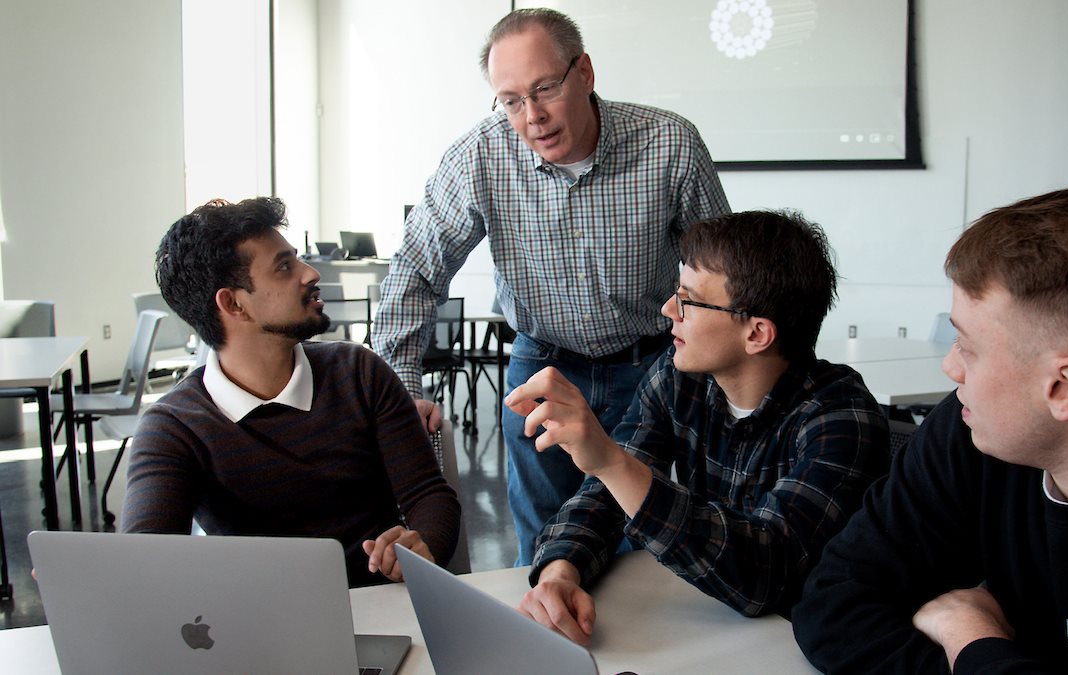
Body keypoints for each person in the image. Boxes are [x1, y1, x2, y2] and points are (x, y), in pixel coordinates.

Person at [793, 184, 1068, 673]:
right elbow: (831, 602)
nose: (951, 367)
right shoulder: (969, 427)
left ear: (1065, 388)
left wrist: (970, 639)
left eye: (967, 347)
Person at [375, 8, 730, 564]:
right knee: (542, 543)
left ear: (584, 72)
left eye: (544, 89)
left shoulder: (669, 144)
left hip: (652, 367)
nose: (532, 116)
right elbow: (416, 269)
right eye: (511, 100)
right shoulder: (479, 156)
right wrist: (406, 388)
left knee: (644, 538)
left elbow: (721, 274)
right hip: (541, 366)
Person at [506, 210, 890, 645]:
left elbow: (765, 576)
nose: (669, 309)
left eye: (688, 299)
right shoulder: (678, 377)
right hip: (709, 632)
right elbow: (605, 498)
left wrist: (612, 463)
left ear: (757, 333)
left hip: (802, 649)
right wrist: (560, 572)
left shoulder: (840, 419)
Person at [121, 197, 461, 587]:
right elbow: (146, 556)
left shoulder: (360, 372)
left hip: (382, 608)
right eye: (284, 267)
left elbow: (429, 495)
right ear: (233, 304)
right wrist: (106, 578)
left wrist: (422, 547)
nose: (310, 273)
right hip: (262, 626)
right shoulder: (176, 427)